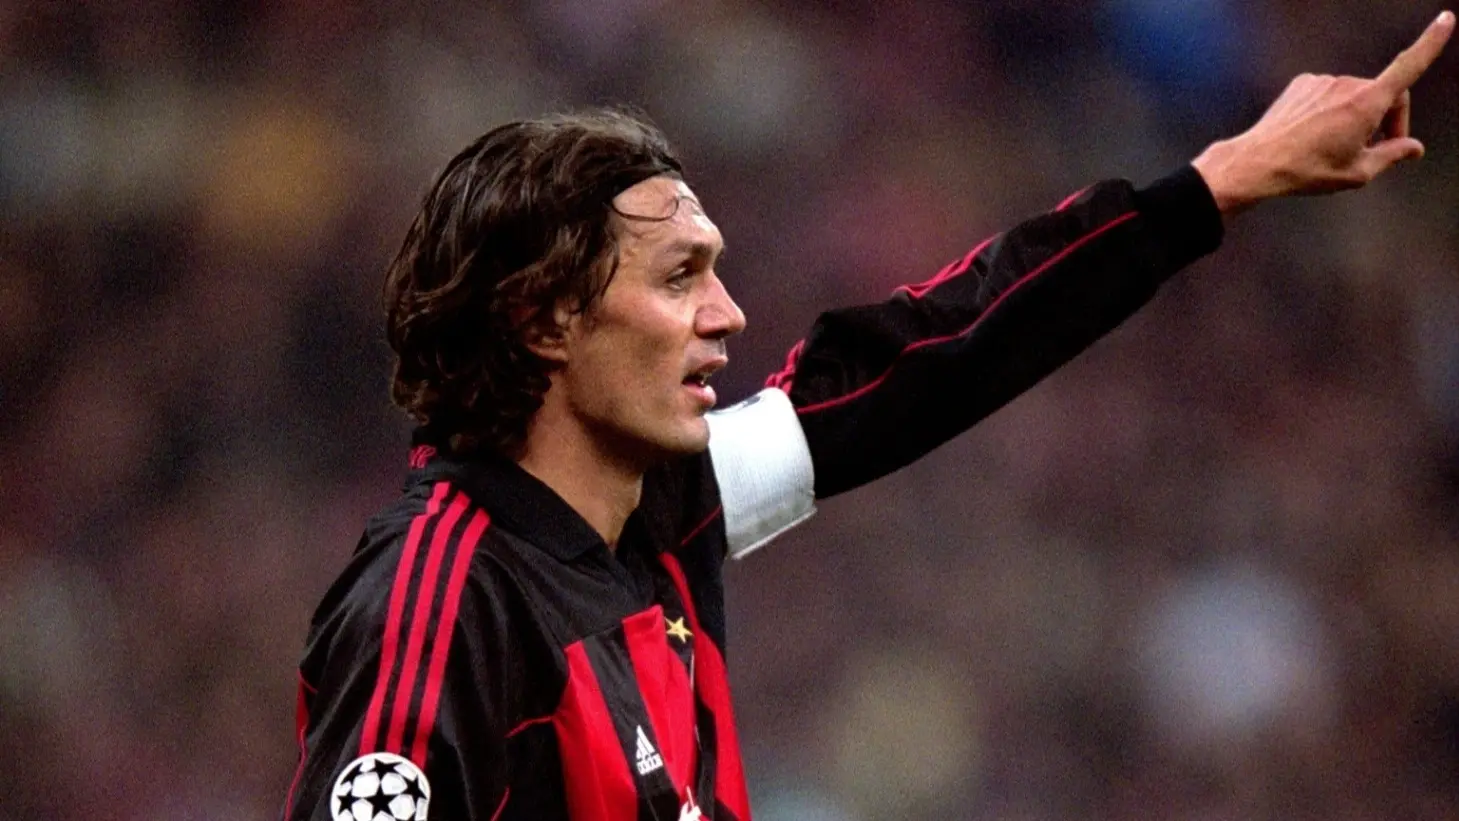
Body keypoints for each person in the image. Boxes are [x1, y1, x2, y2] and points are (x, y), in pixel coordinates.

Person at [281, 12, 1454, 821]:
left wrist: (1217, 183)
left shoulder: (661, 508)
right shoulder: (439, 604)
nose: (728, 314)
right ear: (543, 317)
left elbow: (931, 358)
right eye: (681, 276)